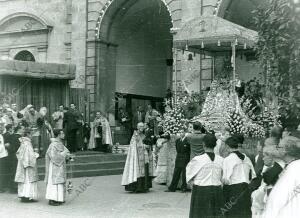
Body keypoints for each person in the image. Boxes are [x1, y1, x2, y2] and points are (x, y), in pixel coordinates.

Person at [186, 134, 224, 218]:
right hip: (217, 191)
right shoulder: (221, 160)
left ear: (203, 144)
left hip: (201, 191)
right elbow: (224, 178)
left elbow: (189, 175)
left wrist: (192, 183)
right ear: (215, 145)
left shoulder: (198, 160)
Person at [263, 136, 300, 218]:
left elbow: (279, 199)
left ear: (285, 151)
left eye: (278, 147)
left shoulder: (294, 168)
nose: (276, 149)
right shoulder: (292, 165)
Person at [222, 136, 256, 218]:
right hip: (246, 189)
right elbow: (253, 175)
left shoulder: (228, 159)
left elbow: (226, 179)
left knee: (233, 213)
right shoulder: (246, 158)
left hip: (233, 190)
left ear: (227, 146)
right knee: (245, 212)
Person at [121, 122, 154, 193]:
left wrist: (149, 146)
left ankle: (145, 187)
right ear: (137, 127)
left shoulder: (144, 134)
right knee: (138, 171)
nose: (142, 128)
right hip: (137, 157)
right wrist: (144, 146)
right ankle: (137, 187)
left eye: (143, 126)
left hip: (145, 156)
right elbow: (134, 146)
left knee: (145, 171)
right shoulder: (135, 135)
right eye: (140, 126)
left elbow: (147, 143)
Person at [45, 129, 71, 206]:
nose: (64, 135)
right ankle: (52, 199)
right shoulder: (53, 145)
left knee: (60, 182)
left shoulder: (60, 143)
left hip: (60, 166)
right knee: (54, 182)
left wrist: (68, 156)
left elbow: (66, 152)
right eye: (62, 133)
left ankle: (59, 198)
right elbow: (53, 156)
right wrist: (64, 154)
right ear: (59, 135)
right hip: (54, 166)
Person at [15, 129, 39, 202]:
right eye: (31, 134)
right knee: (28, 181)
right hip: (27, 166)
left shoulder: (22, 143)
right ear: (28, 134)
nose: (32, 136)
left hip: (22, 165)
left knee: (24, 181)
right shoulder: (27, 143)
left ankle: (23, 196)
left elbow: (18, 153)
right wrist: (36, 155)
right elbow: (29, 156)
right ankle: (27, 196)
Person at [5, 124, 24, 193]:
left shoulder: (11, 136)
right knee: (16, 171)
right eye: (22, 129)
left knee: (13, 171)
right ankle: (14, 187)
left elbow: (8, 145)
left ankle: (12, 187)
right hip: (16, 156)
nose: (23, 130)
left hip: (11, 156)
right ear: (19, 129)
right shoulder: (19, 137)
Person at [0, 122, 8, 193]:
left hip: (3, 155)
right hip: (1, 155)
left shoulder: (1, 135)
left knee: (2, 171)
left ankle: (2, 186)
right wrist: (4, 146)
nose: (2, 128)